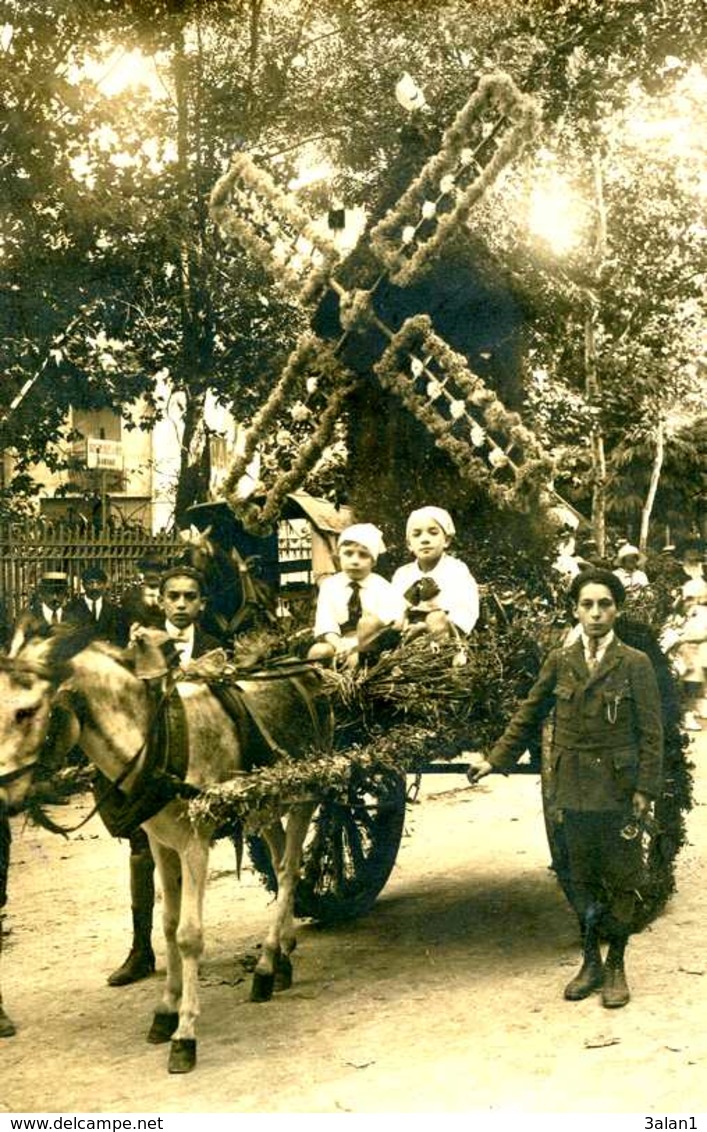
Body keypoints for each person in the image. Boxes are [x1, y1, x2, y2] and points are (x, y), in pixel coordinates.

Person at [467, 568, 663, 1009]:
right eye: (587, 605)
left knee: (620, 875)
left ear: (618, 609)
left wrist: (645, 789)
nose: (596, 614)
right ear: (575, 610)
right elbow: (529, 712)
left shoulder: (635, 663)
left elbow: (652, 734)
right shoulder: (561, 660)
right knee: (578, 874)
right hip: (571, 785)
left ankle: (616, 967)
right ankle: (590, 961)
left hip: (618, 787)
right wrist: (495, 760)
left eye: (605, 605)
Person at [106, 565, 221, 987]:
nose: (181, 605)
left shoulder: (214, 648)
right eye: (173, 596)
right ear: (161, 601)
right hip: (154, 769)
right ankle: (141, 948)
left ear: (202, 604)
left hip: (200, 768)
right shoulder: (141, 647)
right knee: (142, 850)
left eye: (190, 597)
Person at [307, 523, 405, 665]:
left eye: (363, 555)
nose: (354, 561)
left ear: (373, 562)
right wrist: (339, 646)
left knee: (355, 659)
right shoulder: (330, 586)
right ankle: (314, 683)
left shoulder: (382, 587)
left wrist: (355, 647)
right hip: (338, 643)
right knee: (319, 651)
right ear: (339, 556)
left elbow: (387, 627)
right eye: (348, 554)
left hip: (370, 646)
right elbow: (326, 624)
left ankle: (353, 683)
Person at [391, 506, 479, 641]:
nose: (425, 539)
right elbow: (396, 606)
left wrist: (427, 626)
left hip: (444, 631)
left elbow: (467, 608)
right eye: (417, 534)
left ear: (446, 540)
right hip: (408, 630)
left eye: (433, 533)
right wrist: (402, 623)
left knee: (435, 618)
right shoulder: (403, 574)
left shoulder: (456, 570)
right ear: (409, 545)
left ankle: (439, 657)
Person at [662, 578, 707, 731]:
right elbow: (669, 633)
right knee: (685, 674)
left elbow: (702, 634)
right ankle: (685, 712)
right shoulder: (675, 616)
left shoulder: (700, 614)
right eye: (689, 599)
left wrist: (684, 639)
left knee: (693, 672)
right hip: (677, 653)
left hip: (690, 650)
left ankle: (691, 707)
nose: (692, 603)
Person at [64, 565, 129, 645]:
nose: (95, 587)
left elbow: (121, 638)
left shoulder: (115, 611)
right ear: (83, 585)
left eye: (99, 583)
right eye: (90, 583)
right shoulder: (71, 608)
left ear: (105, 585)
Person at [9, 571, 70, 652]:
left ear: (66, 594)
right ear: (42, 593)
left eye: (59, 593)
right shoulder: (28, 617)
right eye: (50, 592)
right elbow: (16, 646)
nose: (55, 598)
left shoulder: (73, 615)